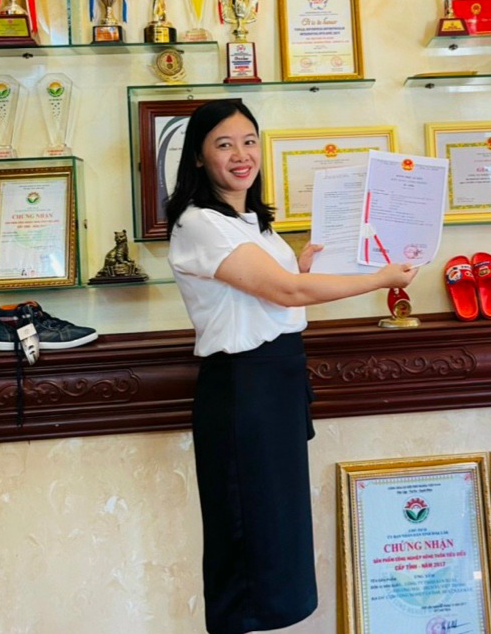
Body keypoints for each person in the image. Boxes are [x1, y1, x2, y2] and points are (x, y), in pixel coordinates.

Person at [165, 99, 418, 634]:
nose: (241, 155)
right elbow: (285, 292)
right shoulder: (200, 223)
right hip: (244, 389)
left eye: (249, 141)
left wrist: (302, 265)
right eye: (224, 144)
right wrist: (379, 279)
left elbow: (279, 290)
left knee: (277, 535)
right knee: (247, 538)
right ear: (199, 157)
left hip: (277, 382)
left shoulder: (253, 223)